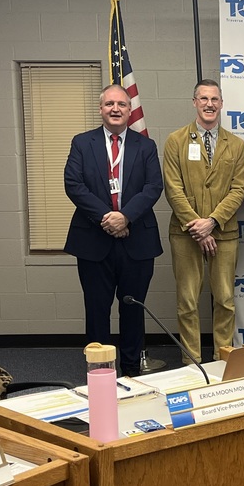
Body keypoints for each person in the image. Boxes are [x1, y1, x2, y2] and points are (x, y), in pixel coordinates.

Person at [64, 84, 163, 377]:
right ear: (101, 109)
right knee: (96, 311)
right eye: (109, 104)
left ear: (130, 110)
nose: (116, 109)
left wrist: (126, 217)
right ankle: (99, 373)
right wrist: (107, 217)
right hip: (94, 239)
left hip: (137, 241)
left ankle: (132, 370)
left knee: (133, 310)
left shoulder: (146, 146)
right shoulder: (82, 143)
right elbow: (74, 184)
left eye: (121, 104)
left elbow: (153, 187)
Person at [163, 79, 244, 364]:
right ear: (194, 102)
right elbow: (173, 188)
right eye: (203, 98)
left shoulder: (236, 145)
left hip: (223, 232)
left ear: (221, 104)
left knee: (224, 300)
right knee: (187, 303)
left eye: (214, 99)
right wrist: (197, 226)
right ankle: (191, 362)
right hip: (185, 233)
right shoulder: (176, 141)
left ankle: (223, 359)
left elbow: (239, 189)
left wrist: (211, 221)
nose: (209, 104)